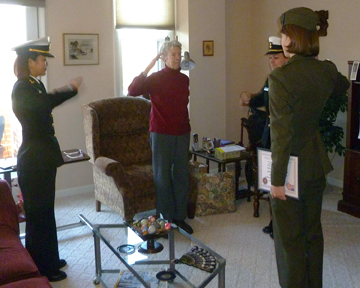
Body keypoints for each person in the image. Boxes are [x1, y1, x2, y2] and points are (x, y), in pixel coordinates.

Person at [268, 7, 350, 287]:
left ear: (291, 38)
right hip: (315, 163)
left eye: (282, 33)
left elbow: (281, 135)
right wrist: (319, 62)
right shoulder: (325, 70)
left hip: (289, 169)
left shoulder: (280, 77)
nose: (280, 39)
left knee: (289, 239)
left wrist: (276, 180)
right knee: (312, 233)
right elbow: (343, 85)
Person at [11, 37, 83, 282]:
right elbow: (44, 105)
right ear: (30, 62)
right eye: (43, 60)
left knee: (45, 211)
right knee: (38, 215)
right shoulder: (22, 88)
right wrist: (68, 89)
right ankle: (42, 267)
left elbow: (44, 104)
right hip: (34, 160)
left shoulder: (34, 84)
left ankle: (49, 257)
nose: (46, 64)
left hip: (42, 157)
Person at [128, 39, 193, 234]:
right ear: (164, 57)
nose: (177, 58)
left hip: (182, 132)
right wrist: (149, 65)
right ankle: (165, 219)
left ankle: (180, 217)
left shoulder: (184, 79)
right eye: (173, 54)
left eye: (179, 54)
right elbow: (132, 91)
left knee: (181, 175)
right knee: (162, 177)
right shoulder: (155, 78)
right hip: (161, 133)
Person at [240, 36, 288, 238]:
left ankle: (283, 225)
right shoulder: (271, 79)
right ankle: (274, 220)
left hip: (285, 137)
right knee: (272, 181)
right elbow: (261, 99)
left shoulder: (290, 80)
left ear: (287, 57)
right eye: (270, 57)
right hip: (269, 135)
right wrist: (248, 97)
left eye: (275, 57)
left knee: (284, 182)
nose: (272, 61)